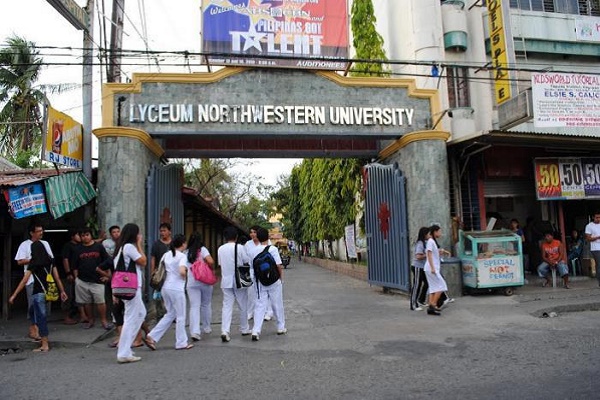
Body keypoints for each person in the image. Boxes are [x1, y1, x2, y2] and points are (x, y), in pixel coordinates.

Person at [9, 241, 67, 351]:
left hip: (38, 293)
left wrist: (14, 295)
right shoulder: (51, 261)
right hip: (48, 292)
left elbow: (24, 280)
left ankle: (44, 344)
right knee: (33, 311)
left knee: (41, 318)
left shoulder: (34, 263)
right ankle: (36, 332)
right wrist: (62, 291)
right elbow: (57, 277)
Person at [146, 234, 193, 350]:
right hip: (177, 289)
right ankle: (181, 342)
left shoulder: (166, 255)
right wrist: (186, 273)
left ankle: (151, 336)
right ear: (183, 244)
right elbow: (182, 271)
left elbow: (160, 269)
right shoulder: (182, 256)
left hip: (165, 288)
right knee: (181, 316)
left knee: (170, 314)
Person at [15, 223, 55, 341]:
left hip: (45, 279)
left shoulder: (45, 244)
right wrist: (34, 260)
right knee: (33, 305)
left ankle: (41, 330)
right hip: (31, 279)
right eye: (38, 231)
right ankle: (34, 329)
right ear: (32, 233)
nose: (41, 233)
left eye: (42, 231)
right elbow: (19, 261)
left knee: (44, 306)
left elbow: (50, 259)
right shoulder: (25, 245)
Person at [114, 223, 147, 364]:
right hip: (132, 287)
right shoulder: (129, 247)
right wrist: (139, 244)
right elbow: (143, 261)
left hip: (129, 287)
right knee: (130, 318)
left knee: (141, 314)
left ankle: (125, 347)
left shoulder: (120, 248)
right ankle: (123, 352)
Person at [247, 227, 286, 341]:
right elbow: (278, 265)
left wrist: (254, 280)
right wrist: (280, 278)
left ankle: (256, 330)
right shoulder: (272, 249)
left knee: (260, 305)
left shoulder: (252, 251)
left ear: (257, 238)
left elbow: (252, 267)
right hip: (274, 281)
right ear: (268, 237)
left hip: (260, 282)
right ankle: (280, 327)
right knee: (277, 304)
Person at [73, 227, 114, 330]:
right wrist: (76, 279)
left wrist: (107, 276)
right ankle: (90, 320)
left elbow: (107, 262)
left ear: (91, 235)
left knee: (101, 302)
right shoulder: (78, 249)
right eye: (83, 235)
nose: (85, 237)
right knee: (87, 302)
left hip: (97, 280)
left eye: (87, 235)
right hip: (82, 280)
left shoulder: (99, 247)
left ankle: (104, 321)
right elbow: (74, 266)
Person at [217, 226, 251, 342]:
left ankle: (225, 330)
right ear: (236, 237)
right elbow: (247, 261)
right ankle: (244, 328)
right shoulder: (240, 248)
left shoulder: (220, 249)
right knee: (242, 305)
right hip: (239, 279)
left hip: (226, 280)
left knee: (227, 306)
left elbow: (220, 264)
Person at [186, 231, 216, 341]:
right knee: (206, 304)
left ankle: (194, 331)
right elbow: (211, 261)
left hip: (192, 282)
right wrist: (208, 267)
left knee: (194, 306)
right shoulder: (202, 250)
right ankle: (206, 327)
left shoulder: (186, 252)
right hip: (205, 281)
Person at [244, 225, 274, 321]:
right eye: (251, 232)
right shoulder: (247, 244)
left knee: (266, 291)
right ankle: (250, 312)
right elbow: (245, 259)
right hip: (252, 271)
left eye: (255, 232)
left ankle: (268, 312)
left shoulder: (267, 243)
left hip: (265, 270)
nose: (253, 234)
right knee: (251, 292)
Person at [60, 228, 83, 325]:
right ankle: (66, 317)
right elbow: (65, 259)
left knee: (76, 295)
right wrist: (68, 273)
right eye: (78, 235)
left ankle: (78, 315)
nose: (80, 237)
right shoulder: (68, 246)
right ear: (72, 236)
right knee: (67, 295)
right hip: (68, 275)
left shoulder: (80, 246)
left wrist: (101, 239)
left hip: (78, 274)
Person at [424, 225, 448, 316]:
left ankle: (431, 306)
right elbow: (429, 254)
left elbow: (433, 253)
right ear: (435, 232)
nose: (440, 233)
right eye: (439, 231)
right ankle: (433, 305)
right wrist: (433, 267)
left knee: (433, 288)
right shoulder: (430, 241)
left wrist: (441, 252)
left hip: (431, 267)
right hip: (431, 268)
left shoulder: (432, 241)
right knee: (442, 286)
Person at [150, 222, 172, 321]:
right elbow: (153, 258)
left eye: (164, 231)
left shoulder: (173, 243)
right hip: (160, 272)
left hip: (171, 272)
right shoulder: (156, 244)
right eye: (161, 231)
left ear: (169, 232)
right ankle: (160, 313)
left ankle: (171, 313)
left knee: (171, 293)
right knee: (158, 293)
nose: (162, 233)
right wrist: (153, 271)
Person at [410, 227, 430, 311]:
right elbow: (418, 256)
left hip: (423, 267)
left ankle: (421, 300)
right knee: (417, 285)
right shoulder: (420, 243)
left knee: (427, 282)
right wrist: (427, 254)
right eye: (428, 234)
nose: (430, 235)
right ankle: (413, 304)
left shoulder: (426, 242)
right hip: (417, 267)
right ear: (424, 234)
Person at [585, 212, 600, 287]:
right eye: (597, 217)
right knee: (599, 264)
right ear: (593, 217)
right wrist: (597, 237)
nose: (598, 219)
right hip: (595, 248)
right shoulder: (589, 226)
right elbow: (588, 238)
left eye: (599, 217)